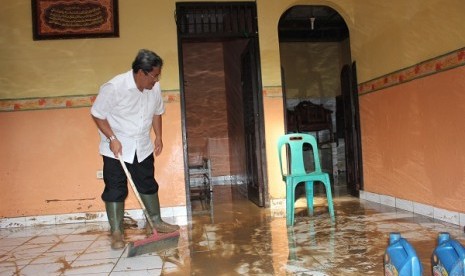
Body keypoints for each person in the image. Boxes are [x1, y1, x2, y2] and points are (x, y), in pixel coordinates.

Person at [91, 49, 179, 250]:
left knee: (147, 182)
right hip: (116, 148)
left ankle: (155, 222)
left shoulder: (154, 88)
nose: (156, 80)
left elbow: (157, 112)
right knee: (115, 188)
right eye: (154, 75)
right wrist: (111, 138)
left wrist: (159, 136)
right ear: (141, 72)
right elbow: (97, 114)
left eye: (158, 75)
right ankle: (116, 232)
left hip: (142, 145)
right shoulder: (114, 87)